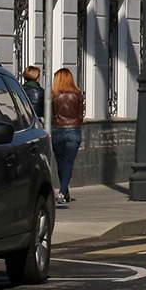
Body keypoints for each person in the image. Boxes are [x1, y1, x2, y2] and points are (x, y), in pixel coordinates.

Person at [51, 68, 84, 206]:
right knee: (68, 162)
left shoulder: (53, 96)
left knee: (60, 163)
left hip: (57, 130)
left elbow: (51, 114)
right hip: (73, 131)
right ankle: (63, 192)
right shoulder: (77, 94)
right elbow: (81, 115)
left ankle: (64, 191)